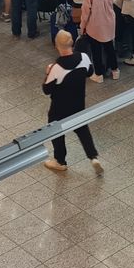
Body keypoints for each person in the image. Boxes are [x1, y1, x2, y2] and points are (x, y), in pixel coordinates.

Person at [41, 30, 104, 174]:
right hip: (78, 102)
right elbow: (89, 72)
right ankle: (93, 157)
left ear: (57, 46)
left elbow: (46, 90)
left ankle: (60, 161)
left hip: (59, 107)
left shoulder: (56, 68)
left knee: (56, 131)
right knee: (82, 129)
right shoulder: (84, 57)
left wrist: (47, 73)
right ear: (72, 43)